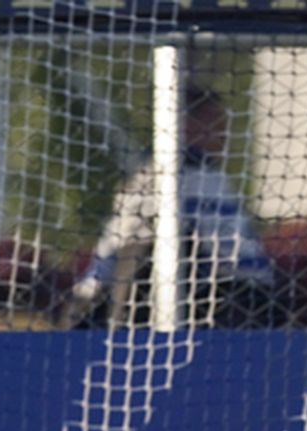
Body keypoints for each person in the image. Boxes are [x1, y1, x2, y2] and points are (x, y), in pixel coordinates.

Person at [63, 85, 281, 328]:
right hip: (168, 296)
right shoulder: (157, 177)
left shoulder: (216, 179)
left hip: (239, 292)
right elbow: (126, 250)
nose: (223, 135)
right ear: (184, 124)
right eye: (214, 124)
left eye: (223, 125)